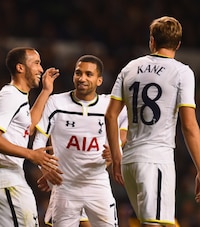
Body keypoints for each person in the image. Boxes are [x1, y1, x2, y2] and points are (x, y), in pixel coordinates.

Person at [105, 16, 200, 227]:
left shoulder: (130, 68)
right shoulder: (182, 72)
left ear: (152, 41)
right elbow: (188, 125)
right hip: (156, 159)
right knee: (156, 224)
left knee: (152, 222)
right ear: (178, 44)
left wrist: (117, 156)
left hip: (130, 162)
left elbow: (111, 115)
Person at [33, 55, 128, 227]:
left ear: (99, 80)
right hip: (65, 186)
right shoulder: (56, 103)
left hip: (97, 184)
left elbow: (128, 123)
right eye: (78, 73)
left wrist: (117, 147)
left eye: (88, 74)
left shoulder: (109, 105)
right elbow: (39, 141)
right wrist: (45, 168)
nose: (82, 78)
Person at [0, 47, 62, 227]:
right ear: (21, 68)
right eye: (36, 63)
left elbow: (28, 126)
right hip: (5, 180)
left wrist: (46, 91)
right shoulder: (10, 97)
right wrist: (31, 154)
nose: (41, 69)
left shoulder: (19, 96)